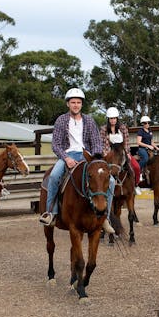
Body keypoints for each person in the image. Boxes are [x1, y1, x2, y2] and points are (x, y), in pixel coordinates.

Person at [39, 88, 115, 233]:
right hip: (68, 155)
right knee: (54, 176)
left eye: (78, 102)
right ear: (68, 104)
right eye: (73, 102)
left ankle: (105, 217)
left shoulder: (89, 120)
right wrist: (66, 158)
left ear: (82, 104)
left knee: (110, 181)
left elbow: (96, 142)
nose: (76, 105)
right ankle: (51, 213)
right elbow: (56, 144)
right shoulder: (61, 120)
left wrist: (96, 157)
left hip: (87, 156)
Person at [100, 107, 142, 196]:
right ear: (108, 119)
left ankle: (135, 185)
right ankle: (103, 189)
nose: (113, 120)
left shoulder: (123, 128)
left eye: (114, 118)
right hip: (110, 153)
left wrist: (127, 152)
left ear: (117, 118)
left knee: (136, 167)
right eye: (111, 118)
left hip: (122, 153)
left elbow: (126, 142)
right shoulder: (103, 129)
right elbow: (104, 143)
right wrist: (106, 154)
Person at [136, 116, 159, 183]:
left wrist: (157, 148)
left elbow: (151, 142)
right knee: (145, 158)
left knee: (158, 158)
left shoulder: (150, 131)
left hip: (149, 149)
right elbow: (138, 142)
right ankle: (139, 172)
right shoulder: (140, 131)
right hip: (142, 149)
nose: (147, 124)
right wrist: (148, 146)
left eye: (148, 123)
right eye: (145, 123)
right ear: (142, 124)